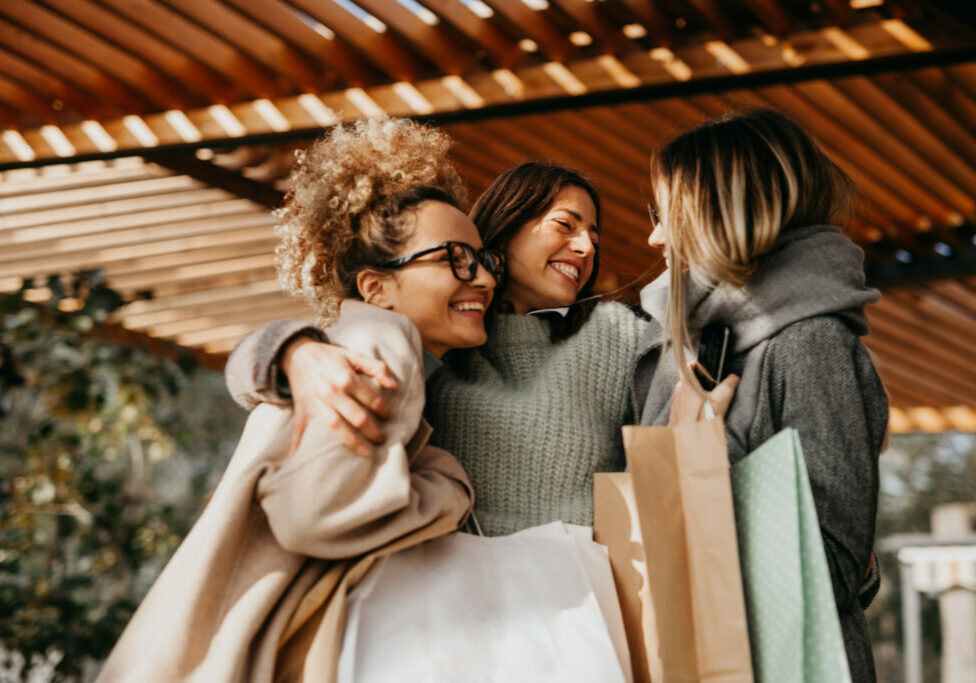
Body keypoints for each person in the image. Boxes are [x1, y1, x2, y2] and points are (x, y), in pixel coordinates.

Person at [99, 116, 500, 681]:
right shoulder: (378, 339)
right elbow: (313, 517)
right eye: (454, 258)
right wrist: (447, 487)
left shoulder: (343, 348)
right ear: (376, 288)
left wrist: (284, 348)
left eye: (485, 261)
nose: (481, 277)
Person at [634, 108, 886, 681]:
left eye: (665, 213)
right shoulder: (682, 343)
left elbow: (837, 570)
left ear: (725, 212)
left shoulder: (810, 343)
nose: (653, 235)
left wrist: (699, 461)